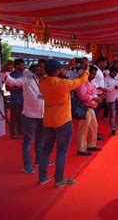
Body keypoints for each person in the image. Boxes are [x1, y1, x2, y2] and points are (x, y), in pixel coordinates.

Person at [38, 58, 89, 187]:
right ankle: (59, 179)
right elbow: (81, 80)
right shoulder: (63, 84)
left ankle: (43, 177)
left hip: (48, 121)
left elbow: (54, 75)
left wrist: (67, 67)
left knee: (45, 150)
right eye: (60, 69)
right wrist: (86, 69)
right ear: (56, 71)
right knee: (62, 150)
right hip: (63, 121)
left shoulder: (42, 82)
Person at [4, 60, 51, 174]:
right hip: (29, 115)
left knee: (41, 138)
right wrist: (4, 71)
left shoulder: (47, 80)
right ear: (35, 68)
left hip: (43, 115)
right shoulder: (26, 79)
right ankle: (27, 165)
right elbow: (11, 82)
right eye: (39, 67)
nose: (41, 69)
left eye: (43, 68)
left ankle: (39, 160)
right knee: (28, 141)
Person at [76, 66, 103, 156]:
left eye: (95, 74)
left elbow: (93, 92)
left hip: (91, 107)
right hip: (85, 107)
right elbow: (82, 95)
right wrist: (95, 98)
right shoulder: (82, 82)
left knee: (94, 127)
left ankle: (91, 145)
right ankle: (81, 149)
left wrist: (98, 97)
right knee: (84, 129)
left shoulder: (91, 82)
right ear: (88, 73)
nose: (94, 76)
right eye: (93, 74)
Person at [7, 59, 25, 139]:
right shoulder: (11, 75)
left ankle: (20, 133)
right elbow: (8, 88)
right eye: (21, 65)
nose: (23, 67)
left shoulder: (24, 75)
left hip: (24, 100)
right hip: (15, 99)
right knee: (14, 117)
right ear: (16, 66)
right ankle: (13, 134)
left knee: (21, 117)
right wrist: (19, 87)